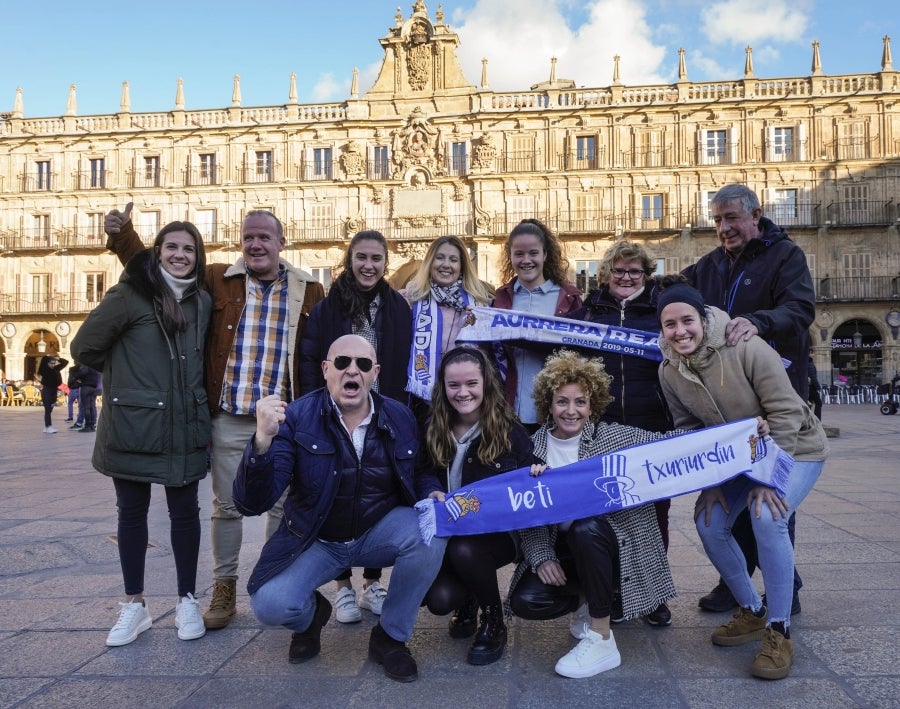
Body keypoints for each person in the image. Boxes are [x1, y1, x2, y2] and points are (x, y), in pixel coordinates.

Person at [104, 202, 325, 630]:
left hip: (282, 417)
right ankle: (224, 588)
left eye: (264, 236)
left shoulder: (309, 289)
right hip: (229, 417)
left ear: (282, 242)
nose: (255, 244)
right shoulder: (218, 280)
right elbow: (159, 270)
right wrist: (123, 236)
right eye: (249, 237)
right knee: (227, 507)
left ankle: (273, 576)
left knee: (282, 506)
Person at [232, 335, 446, 683]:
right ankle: (311, 617)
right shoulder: (297, 417)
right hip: (318, 538)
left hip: (376, 530)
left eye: (363, 364)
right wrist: (261, 442)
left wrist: (432, 490)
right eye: (343, 362)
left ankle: (390, 638)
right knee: (269, 605)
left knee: (429, 532)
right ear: (326, 369)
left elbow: (421, 470)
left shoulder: (400, 416)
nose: (352, 371)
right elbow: (251, 503)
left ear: (375, 373)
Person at [657, 280, 828, 679]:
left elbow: (786, 413)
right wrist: (711, 482)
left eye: (687, 320)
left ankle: (779, 630)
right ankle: (752, 610)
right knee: (708, 523)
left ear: (702, 318)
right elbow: (690, 429)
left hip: (796, 448)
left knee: (767, 517)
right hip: (737, 460)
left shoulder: (747, 347)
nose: (680, 331)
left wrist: (770, 479)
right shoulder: (669, 369)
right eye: (670, 324)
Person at [71, 220, 211, 646]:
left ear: (198, 256)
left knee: (185, 514)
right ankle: (135, 605)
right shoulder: (129, 295)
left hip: (185, 423)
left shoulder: (202, 301)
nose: (180, 256)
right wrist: (130, 384)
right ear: (158, 251)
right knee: (131, 515)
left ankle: (187, 599)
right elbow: (84, 348)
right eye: (172, 247)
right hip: (134, 424)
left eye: (189, 249)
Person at [683, 184, 815, 615]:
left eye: (731, 218)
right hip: (728, 403)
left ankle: (786, 588)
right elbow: (673, 297)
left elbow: (800, 310)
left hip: (778, 395)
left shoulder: (785, 256)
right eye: (717, 220)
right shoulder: (708, 266)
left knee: (772, 498)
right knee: (732, 492)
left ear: (755, 215)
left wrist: (758, 322)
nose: (723, 228)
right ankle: (732, 582)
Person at [507, 350, 676, 678]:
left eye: (580, 402)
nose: (571, 411)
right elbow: (528, 516)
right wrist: (542, 556)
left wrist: (735, 436)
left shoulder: (615, 436)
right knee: (525, 600)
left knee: (586, 527)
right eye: (562, 402)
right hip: (568, 552)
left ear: (593, 404)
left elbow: (668, 446)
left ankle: (601, 636)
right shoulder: (531, 449)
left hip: (615, 548)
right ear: (548, 404)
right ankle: (588, 598)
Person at [300, 229, 412, 622]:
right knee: (337, 492)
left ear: (386, 263)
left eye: (376, 259)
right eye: (361, 257)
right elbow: (311, 356)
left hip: (381, 413)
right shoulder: (330, 307)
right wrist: (314, 409)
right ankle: (343, 586)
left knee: (379, 494)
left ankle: (372, 582)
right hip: (335, 412)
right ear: (350, 260)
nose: (368, 265)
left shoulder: (398, 306)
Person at [568, 240, 674, 627]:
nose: (626, 277)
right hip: (604, 431)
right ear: (606, 274)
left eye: (635, 271)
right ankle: (612, 589)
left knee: (654, 514)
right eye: (619, 271)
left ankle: (654, 595)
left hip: (653, 428)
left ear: (646, 275)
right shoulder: (585, 315)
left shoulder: (662, 313)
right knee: (607, 512)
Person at [421, 346, 533, 665]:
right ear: (443, 387)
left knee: (465, 551)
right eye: (453, 385)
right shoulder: (432, 425)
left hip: (497, 535)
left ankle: (494, 622)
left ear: (485, 383)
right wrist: (430, 490)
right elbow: (422, 472)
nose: (463, 392)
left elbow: (530, 468)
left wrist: (537, 469)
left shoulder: (508, 428)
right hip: (450, 530)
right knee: (440, 600)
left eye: (471, 383)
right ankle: (468, 596)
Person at [492, 219, 582, 431]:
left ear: (545, 255)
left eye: (533, 253)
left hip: (555, 413)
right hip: (506, 411)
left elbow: (580, 354)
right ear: (510, 257)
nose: (526, 260)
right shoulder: (499, 299)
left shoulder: (568, 298)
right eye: (519, 254)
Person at [401, 235, 494, 422]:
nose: (446, 264)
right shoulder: (409, 299)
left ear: (462, 266)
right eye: (440, 257)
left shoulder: (481, 302)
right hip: (423, 400)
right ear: (430, 261)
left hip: (464, 398)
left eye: (453, 260)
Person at [36, 353, 68, 433]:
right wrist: (47, 357)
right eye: (51, 363)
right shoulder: (44, 370)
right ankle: (48, 426)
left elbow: (65, 362)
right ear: (47, 363)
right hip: (47, 390)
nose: (53, 365)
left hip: (54, 390)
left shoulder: (56, 369)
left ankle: (46, 427)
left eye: (54, 363)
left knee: (50, 409)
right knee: (47, 409)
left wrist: (56, 358)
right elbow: (43, 363)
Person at [71, 363, 101, 432]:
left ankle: (87, 426)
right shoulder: (95, 366)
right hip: (93, 388)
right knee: (91, 407)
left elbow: (81, 373)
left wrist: (75, 376)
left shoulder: (86, 365)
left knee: (86, 407)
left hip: (86, 388)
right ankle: (92, 425)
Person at [808, 354, 823, 421]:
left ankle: (808, 419)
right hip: (811, 387)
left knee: (808, 404)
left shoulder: (805, 362)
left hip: (807, 387)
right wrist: (818, 387)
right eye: (812, 353)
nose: (814, 355)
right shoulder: (809, 364)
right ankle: (817, 420)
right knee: (818, 402)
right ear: (810, 353)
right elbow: (813, 376)